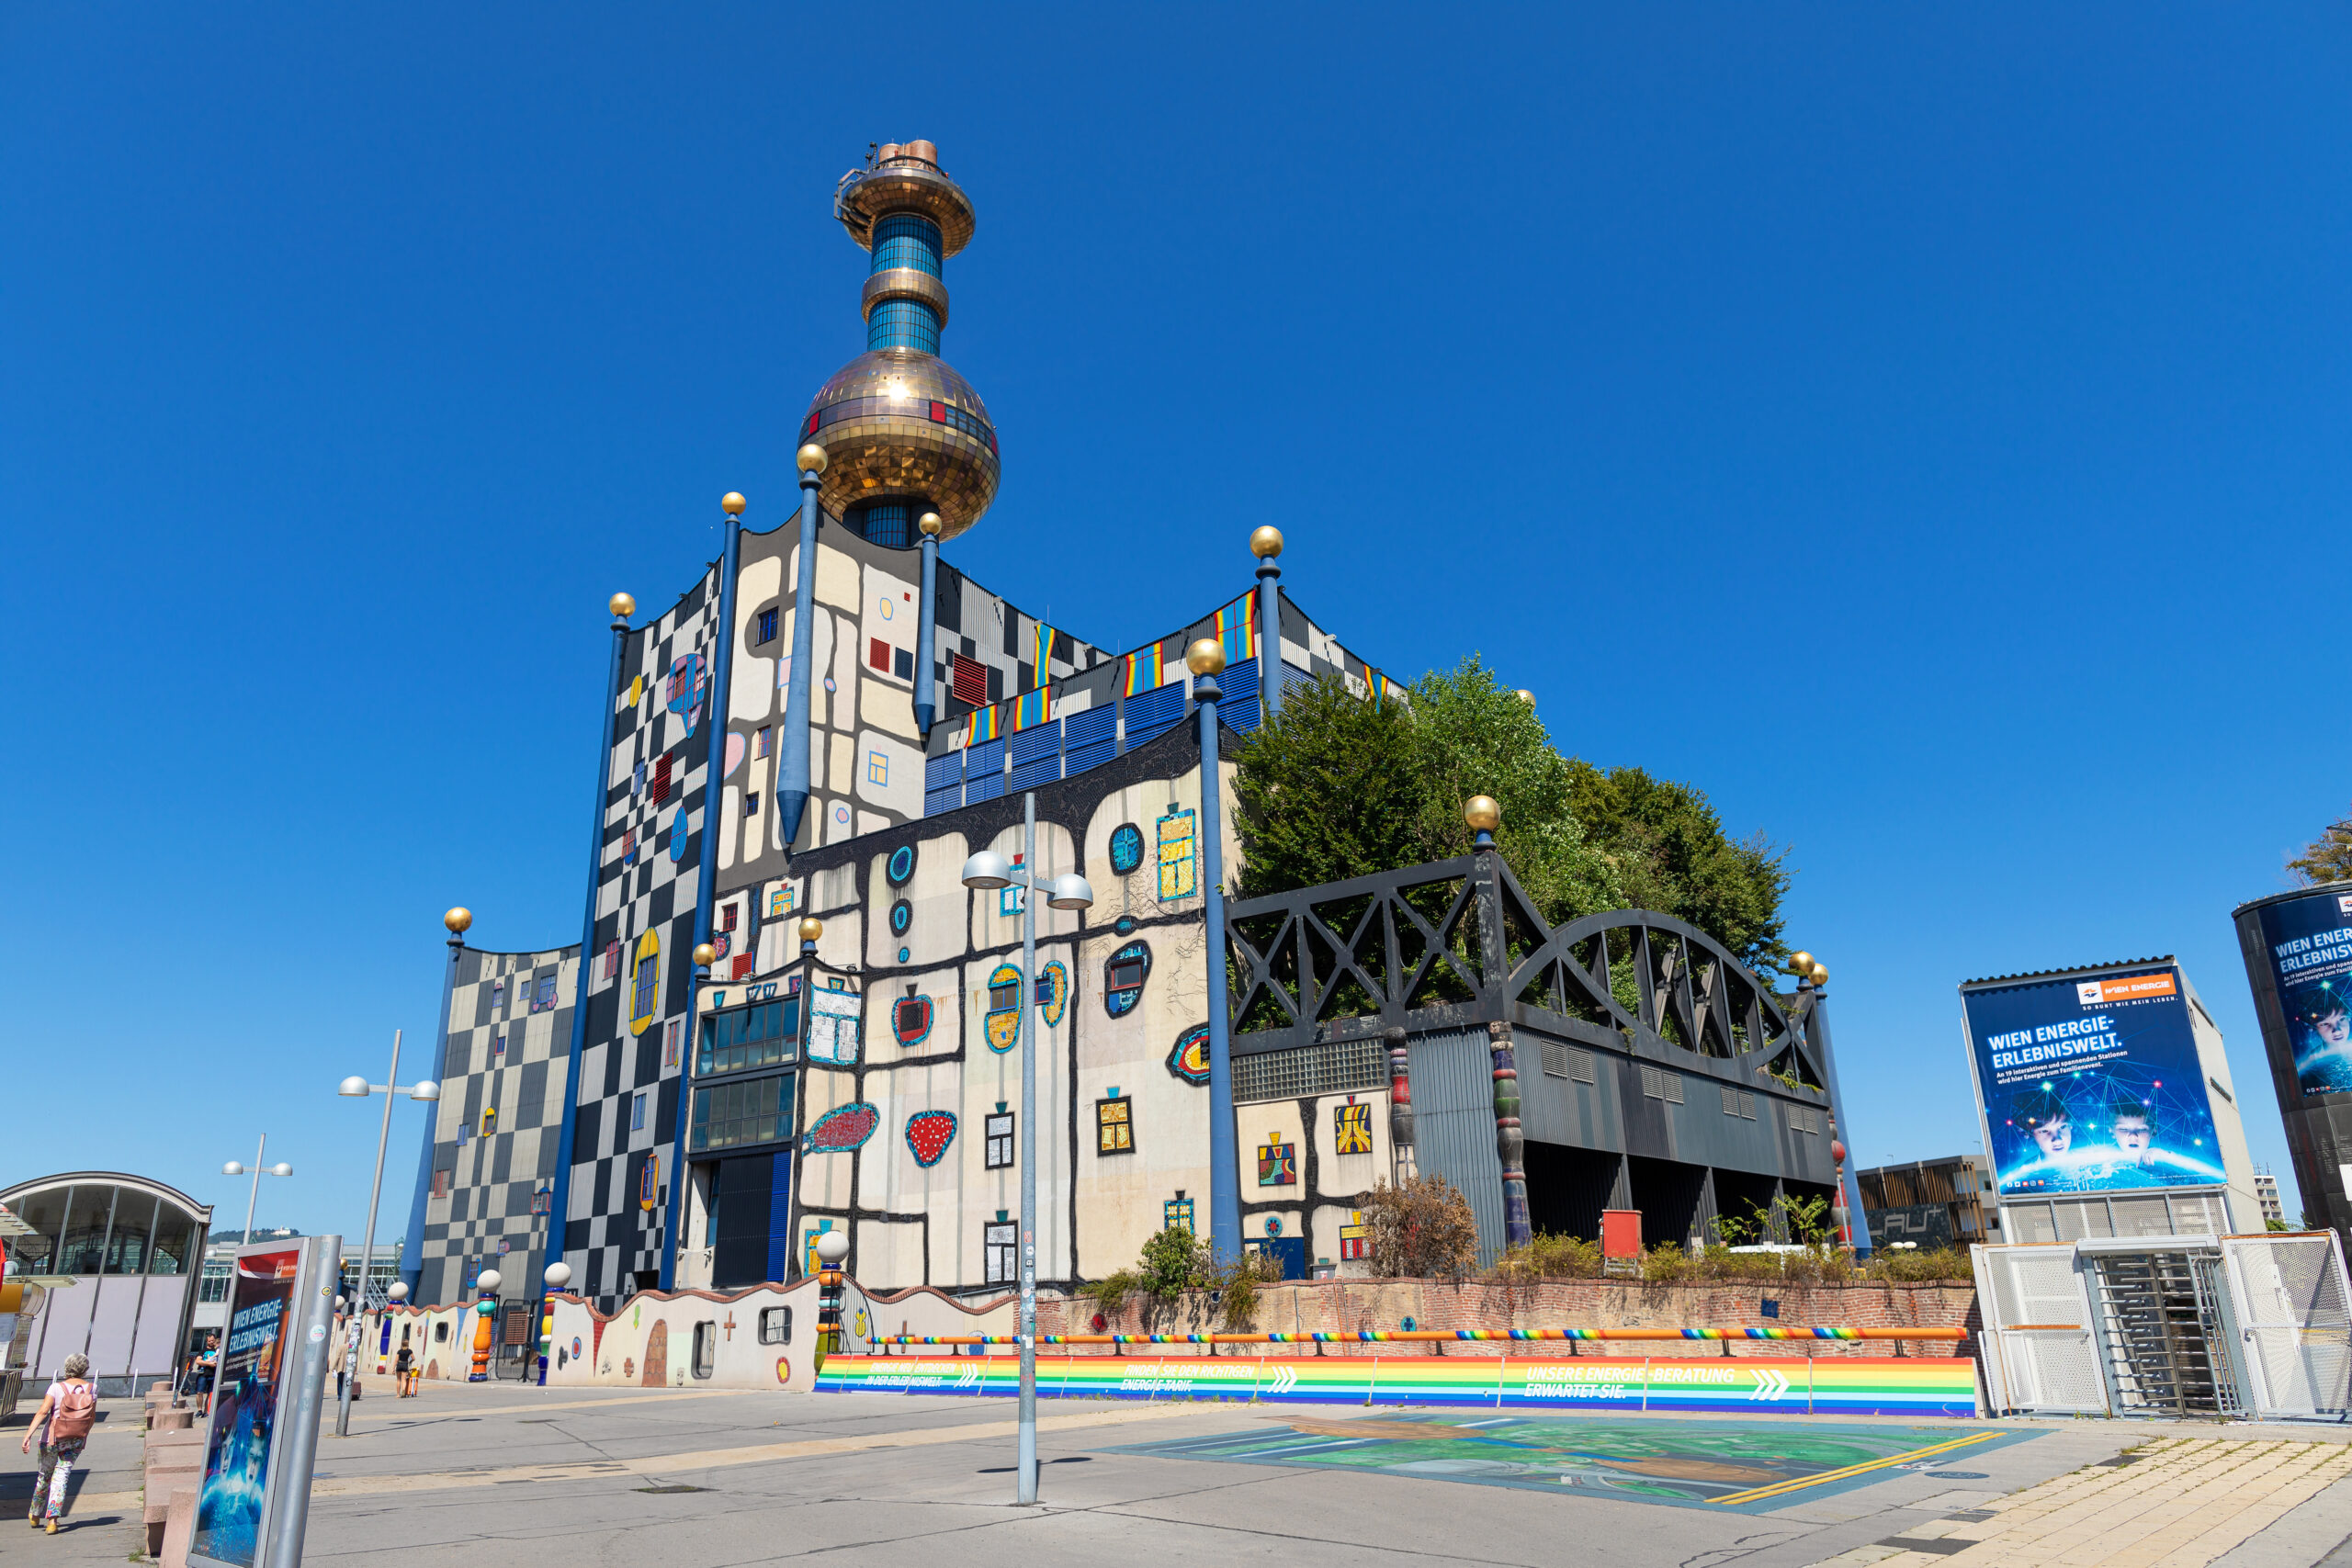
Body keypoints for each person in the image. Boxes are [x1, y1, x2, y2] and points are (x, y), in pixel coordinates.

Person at [20, 1353, 96, 1534]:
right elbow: (91, 1416)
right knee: (61, 1477)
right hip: (75, 1440)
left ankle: (35, 1514)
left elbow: (42, 1412)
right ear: (85, 1369)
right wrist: (83, 1434)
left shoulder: (56, 1387)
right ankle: (52, 1521)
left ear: (67, 1367)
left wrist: (28, 1435)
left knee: (44, 1475)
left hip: (52, 1439)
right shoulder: (92, 1389)